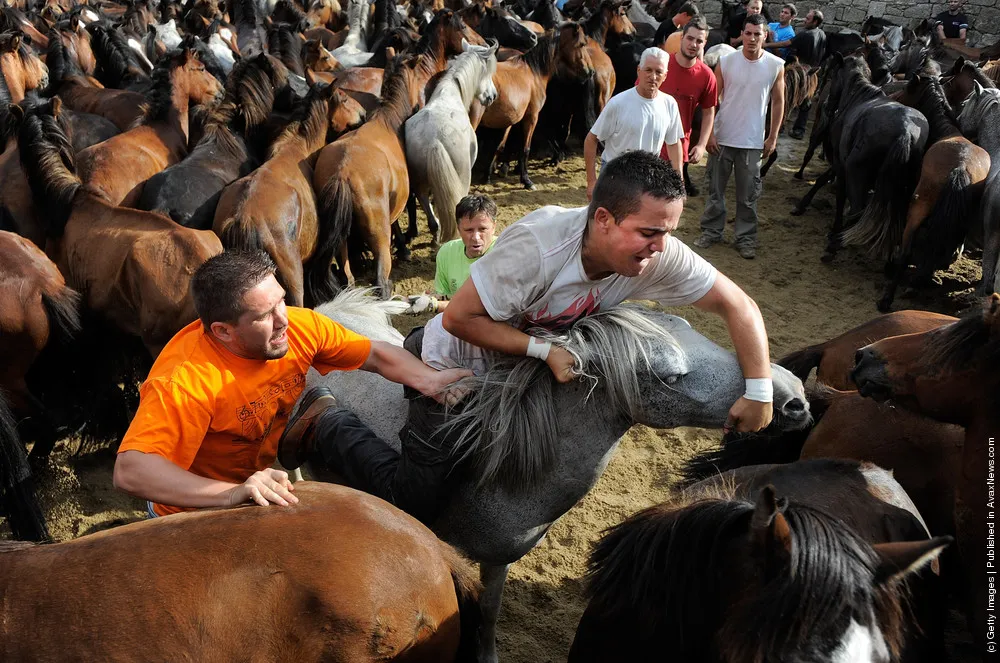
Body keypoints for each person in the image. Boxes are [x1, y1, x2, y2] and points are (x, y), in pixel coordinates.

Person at [279, 151, 775, 524]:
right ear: (602, 219)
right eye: (649, 232)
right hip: (453, 366)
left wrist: (758, 388)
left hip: (525, 370)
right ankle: (327, 422)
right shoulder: (538, 249)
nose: (661, 248)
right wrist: (544, 349)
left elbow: (740, 305)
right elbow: (457, 318)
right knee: (417, 502)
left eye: (667, 232)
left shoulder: (656, 254)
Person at [113, 250, 469, 517]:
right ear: (223, 331)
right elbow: (132, 471)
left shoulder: (297, 327)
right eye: (265, 315)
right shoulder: (185, 381)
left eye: (281, 300)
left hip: (258, 485)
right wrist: (232, 492)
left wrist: (428, 379)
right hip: (192, 512)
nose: (283, 319)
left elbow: (375, 354)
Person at [695, 12, 785, 260]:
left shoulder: (776, 66)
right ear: (742, 34)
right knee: (715, 190)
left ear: (765, 36)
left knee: (748, 196)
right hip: (723, 138)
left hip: (752, 141)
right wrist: (710, 132)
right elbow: (711, 101)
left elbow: (778, 102)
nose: (752, 38)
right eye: (748, 33)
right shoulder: (726, 62)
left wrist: (773, 136)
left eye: (758, 34)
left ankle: (745, 238)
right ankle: (711, 231)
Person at [585, 47, 685, 200]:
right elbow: (591, 140)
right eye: (648, 70)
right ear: (639, 71)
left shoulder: (669, 104)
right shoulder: (618, 103)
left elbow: (673, 143)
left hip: (648, 179)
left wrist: (679, 182)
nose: (653, 76)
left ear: (665, 76)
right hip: (615, 176)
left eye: (658, 72)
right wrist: (591, 182)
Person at [405, 194, 498, 315]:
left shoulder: (502, 254)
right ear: (458, 228)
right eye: (469, 230)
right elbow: (443, 295)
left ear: (494, 227)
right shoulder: (447, 252)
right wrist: (424, 300)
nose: (476, 237)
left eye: (482, 229)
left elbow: (490, 308)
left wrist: (434, 305)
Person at [659, 16, 718, 197]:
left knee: (670, 201)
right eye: (690, 38)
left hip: (678, 150)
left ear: (704, 44)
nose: (693, 44)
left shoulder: (707, 76)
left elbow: (709, 112)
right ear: (682, 38)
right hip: (649, 144)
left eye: (699, 41)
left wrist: (701, 145)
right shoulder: (661, 65)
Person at [784, 9, 826, 139]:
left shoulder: (805, 35)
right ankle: (799, 130)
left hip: (800, 74)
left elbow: (786, 43)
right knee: (806, 103)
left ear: (815, 21)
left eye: (807, 19)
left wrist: (766, 43)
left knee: (788, 98)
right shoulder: (822, 34)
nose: (804, 20)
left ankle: (780, 126)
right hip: (812, 74)